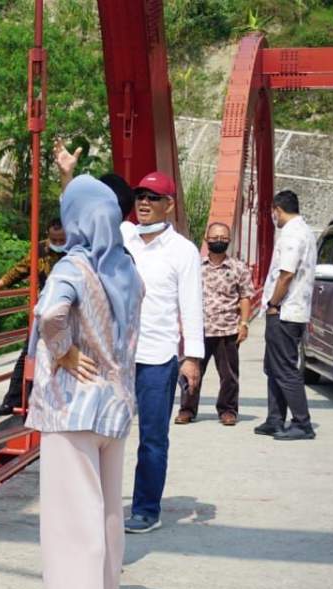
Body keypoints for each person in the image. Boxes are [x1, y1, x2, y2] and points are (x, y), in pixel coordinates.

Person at [27, 175, 143, 589]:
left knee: (72, 518)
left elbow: (51, 314)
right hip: (114, 405)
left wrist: (62, 351)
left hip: (72, 406)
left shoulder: (72, 268)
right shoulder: (125, 268)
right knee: (109, 513)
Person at [121, 171, 205, 535]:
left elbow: (191, 308)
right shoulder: (124, 238)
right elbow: (80, 228)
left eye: (153, 197)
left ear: (169, 205)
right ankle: (106, 506)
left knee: (152, 437)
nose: (144, 202)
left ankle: (145, 509)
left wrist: (192, 358)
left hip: (157, 358)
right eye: (140, 195)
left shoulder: (183, 251)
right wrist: (67, 178)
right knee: (104, 434)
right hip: (117, 356)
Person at [0, 219, 67, 417]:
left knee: (62, 355)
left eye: (61, 239)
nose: (57, 242)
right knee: (27, 355)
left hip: (68, 311)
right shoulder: (40, 250)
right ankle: (14, 401)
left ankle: (57, 403)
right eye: (53, 238)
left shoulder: (76, 251)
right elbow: (19, 270)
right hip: (45, 309)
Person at [176, 222, 254, 426]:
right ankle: (187, 410)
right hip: (199, 330)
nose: (218, 241)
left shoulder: (238, 268)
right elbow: (182, 295)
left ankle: (228, 411)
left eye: (223, 238)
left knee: (229, 376)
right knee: (191, 373)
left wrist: (244, 324)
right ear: (206, 240)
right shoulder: (195, 267)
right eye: (214, 238)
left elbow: (246, 296)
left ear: (228, 240)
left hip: (227, 329)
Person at [256, 190, 318, 441]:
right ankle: (275, 419)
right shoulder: (304, 231)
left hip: (285, 312)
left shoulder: (293, 234)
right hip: (290, 311)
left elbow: (286, 274)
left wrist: (273, 303)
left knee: (284, 368)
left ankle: (302, 423)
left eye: (273, 212)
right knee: (273, 367)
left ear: (277, 210)